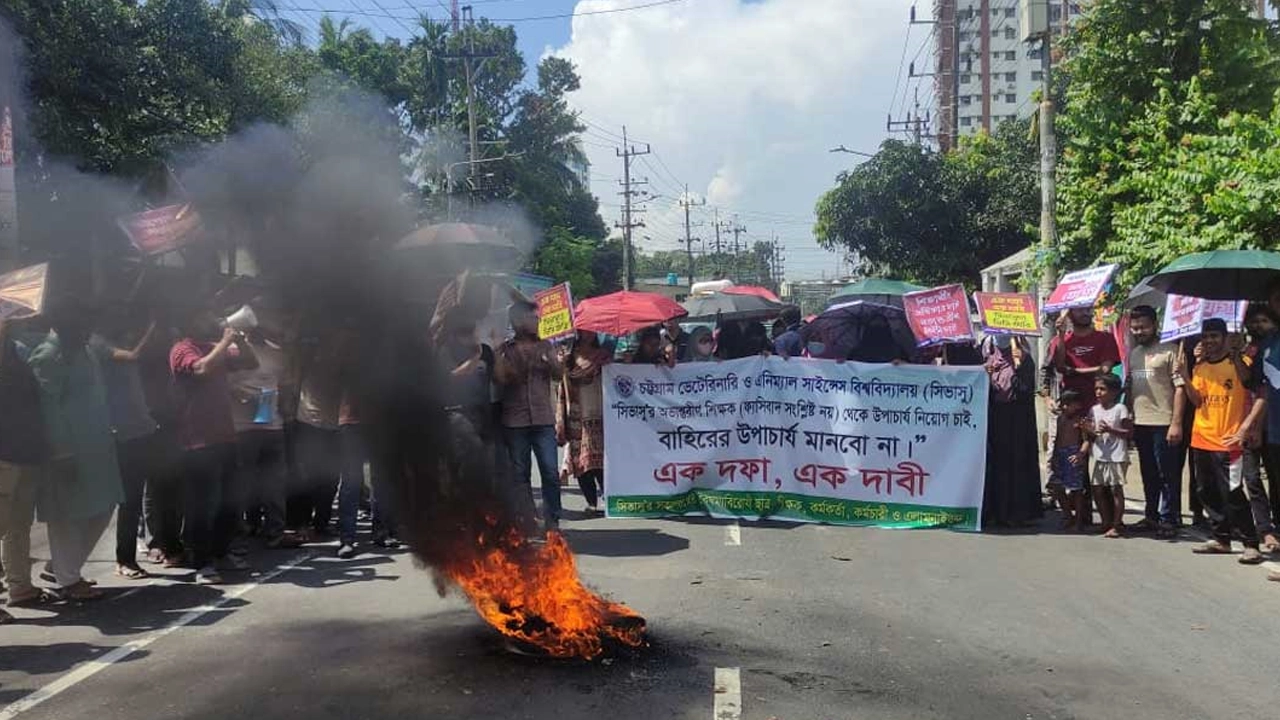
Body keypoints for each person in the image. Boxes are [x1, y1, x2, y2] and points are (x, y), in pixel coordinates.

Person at [27, 299, 124, 599]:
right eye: (83, 324)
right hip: (68, 451)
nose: (88, 330)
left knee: (104, 506)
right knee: (66, 515)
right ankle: (68, 581)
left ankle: (60, 567)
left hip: (98, 446)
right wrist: (61, 452)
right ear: (66, 324)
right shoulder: (48, 355)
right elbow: (48, 409)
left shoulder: (84, 349)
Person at [170, 308, 258, 583]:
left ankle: (221, 552)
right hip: (197, 440)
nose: (209, 321)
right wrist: (224, 342)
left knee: (229, 501)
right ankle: (202, 561)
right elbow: (201, 368)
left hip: (224, 436)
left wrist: (240, 341)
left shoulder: (211, 347)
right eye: (202, 316)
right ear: (189, 322)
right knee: (202, 504)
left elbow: (251, 362)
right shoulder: (181, 349)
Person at [1178, 318, 1266, 564]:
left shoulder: (1239, 363)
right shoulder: (1201, 367)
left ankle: (1251, 543)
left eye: (1214, 336)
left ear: (1225, 337)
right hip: (1201, 438)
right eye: (1205, 337)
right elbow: (1197, 401)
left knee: (1233, 492)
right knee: (1206, 491)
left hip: (1229, 442)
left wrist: (1237, 355)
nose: (1209, 341)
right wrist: (1185, 376)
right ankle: (1221, 538)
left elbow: (1251, 384)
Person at [91, 311, 159, 579]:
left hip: (137, 430)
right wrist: (152, 329)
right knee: (111, 502)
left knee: (131, 499)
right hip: (116, 433)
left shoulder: (115, 342)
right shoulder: (98, 342)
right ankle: (64, 565)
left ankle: (126, 558)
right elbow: (132, 356)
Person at [227, 320, 297, 551]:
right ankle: (239, 534)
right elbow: (224, 385)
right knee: (242, 484)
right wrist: (244, 396)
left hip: (272, 426)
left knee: (275, 483)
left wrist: (285, 408)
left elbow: (286, 386)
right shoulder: (232, 352)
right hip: (242, 427)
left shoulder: (278, 355)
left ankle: (275, 532)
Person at [495, 300, 565, 530]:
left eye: (537, 318)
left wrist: (554, 362)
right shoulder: (506, 350)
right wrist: (502, 362)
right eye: (533, 318)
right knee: (520, 475)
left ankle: (552, 520)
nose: (538, 322)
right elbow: (502, 380)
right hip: (515, 421)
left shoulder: (546, 346)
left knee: (550, 473)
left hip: (543, 420)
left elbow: (557, 375)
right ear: (518, 321)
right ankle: (526, 519)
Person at [0, 316, 53, 620]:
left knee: (18, 525)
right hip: (4, 452)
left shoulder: (19, 349)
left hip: (26, 449)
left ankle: (20, 587)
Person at [1125, 305, 1186, 538]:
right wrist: (1129, 415)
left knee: (1167, 473)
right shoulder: (1134, 354)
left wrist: (1176, 423)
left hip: (1165, 423)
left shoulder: (1171, 351)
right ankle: (1151, 516)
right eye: (1135, 328)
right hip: (1141, 423)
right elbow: (1131, 387)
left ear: (1155, 325)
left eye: (1143, 327)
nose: (1139, 331)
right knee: (1148, 472)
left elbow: (1180, 390)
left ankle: (1169, 518)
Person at [288, 327, 346, 541]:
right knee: (307, 477)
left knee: (330, 479)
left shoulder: (344, 364)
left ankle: (321, 523)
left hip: (334, 425)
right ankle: (301, 523)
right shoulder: (307, 359)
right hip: (309, 423)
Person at [980, 335, 1042, 528]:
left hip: (1017, 421)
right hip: (994, 418)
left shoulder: (1022, 358)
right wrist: (985, 375)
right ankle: (995, 511)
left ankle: (1017, 512)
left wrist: (1020, 366)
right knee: (995, 464)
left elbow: (1025, 388)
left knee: (1016, 464)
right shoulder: (988, 356)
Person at [557, 331, 609, 514]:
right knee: (581, 461)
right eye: (584, 329)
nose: (588, 333)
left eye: (591, 329)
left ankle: (608, 498)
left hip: (601, 413)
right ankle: (591, 502)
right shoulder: (569, 357)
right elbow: (563, 381)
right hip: (578, 415)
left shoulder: (603, 354)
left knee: (603, 461)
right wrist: (561, 365)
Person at [1088, 374, 1133, 538]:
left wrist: (1110, 430)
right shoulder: (1094, 410)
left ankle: (1116, 524)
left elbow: (1128, 433)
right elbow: (1093, 432)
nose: (1098, 392)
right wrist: (1088, 430)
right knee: (1098, 489)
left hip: (1117, 456)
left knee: (1116, 489)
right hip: (1100, 455)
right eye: (1096, 389)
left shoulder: (1120, 409)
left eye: (1103, 389)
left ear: (1114, 392)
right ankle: (1105, 521)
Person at [1053, 307, 1121, 405]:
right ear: (1069, 314)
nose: (1085, 313)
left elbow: (1105, 369)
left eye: (1088, 309)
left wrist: (1073, 371)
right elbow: (1059, 366)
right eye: (1080, 310)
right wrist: (1061, 334)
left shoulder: (1106, 338)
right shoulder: (1060, 341)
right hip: (1071, 405)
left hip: (1099, 404)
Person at [1048, 390, 1089, 531]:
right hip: (1060, 455)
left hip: (1073, 455)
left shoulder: (1080, 421)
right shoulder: (1059, 419)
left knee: (1076, 490)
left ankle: (1078, 520)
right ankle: (1067, 514)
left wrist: (1080, 454)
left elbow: (1086, 440)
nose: (1076, 408)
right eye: (1073, 405)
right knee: (1057, 486)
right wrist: (1053, 457)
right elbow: (1056, 439)